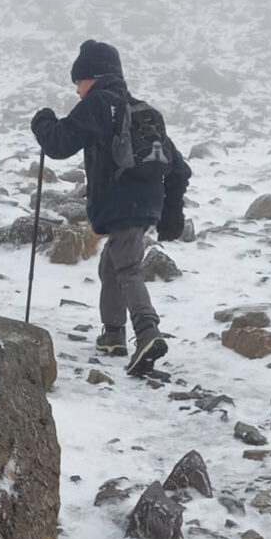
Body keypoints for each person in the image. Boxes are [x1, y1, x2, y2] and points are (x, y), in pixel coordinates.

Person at [30, 39, 192, 376]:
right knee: (111, 264)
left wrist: (42, 122)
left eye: (78, 82)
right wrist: (171, 212)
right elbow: (178, 167)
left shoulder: (100, 102)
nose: (77, 91)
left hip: (122, 203)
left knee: (127, 268)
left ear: (92, 76)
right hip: (145, 204)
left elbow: (59, 143)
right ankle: (113, 334)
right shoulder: (140, 108)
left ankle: (147, 332)